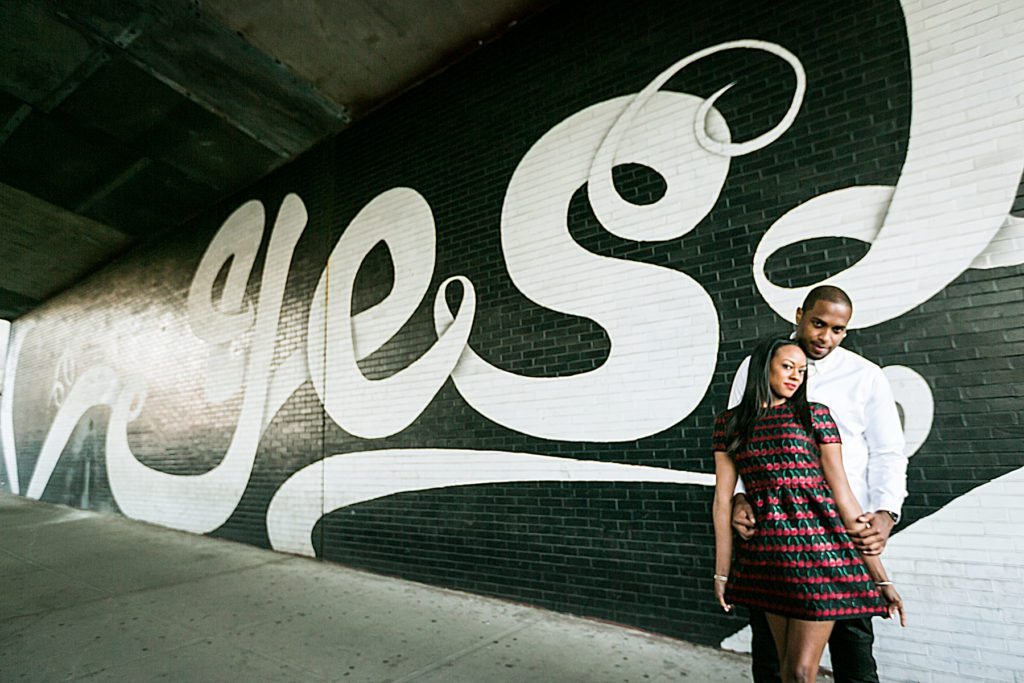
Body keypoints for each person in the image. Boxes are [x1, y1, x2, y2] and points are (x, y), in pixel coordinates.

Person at [729, 285, 908, 683]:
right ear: (798, 315)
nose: (826, 337)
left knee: (855, 662)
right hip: (775, 538)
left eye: (838, 330)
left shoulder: (865, 376)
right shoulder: (755, 367)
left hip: (841, 538)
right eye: (818, 324)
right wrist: (739, 498)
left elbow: (888, 452)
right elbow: (738, 442)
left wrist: (885, 512)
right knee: (773, 666)